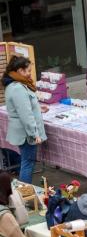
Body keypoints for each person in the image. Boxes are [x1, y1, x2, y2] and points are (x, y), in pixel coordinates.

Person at [2, 56, 46, 184]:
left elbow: (24, 107)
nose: (30, 73)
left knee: (26, 162)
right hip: (26, 134)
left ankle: (24, 191)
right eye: (28, 71)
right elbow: (25, 115)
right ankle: (24, 191)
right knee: (28, 163)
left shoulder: (15, 84)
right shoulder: (18, 88)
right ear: (20, 70)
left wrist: (38, 108)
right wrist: (34, 134)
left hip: (23, 132)